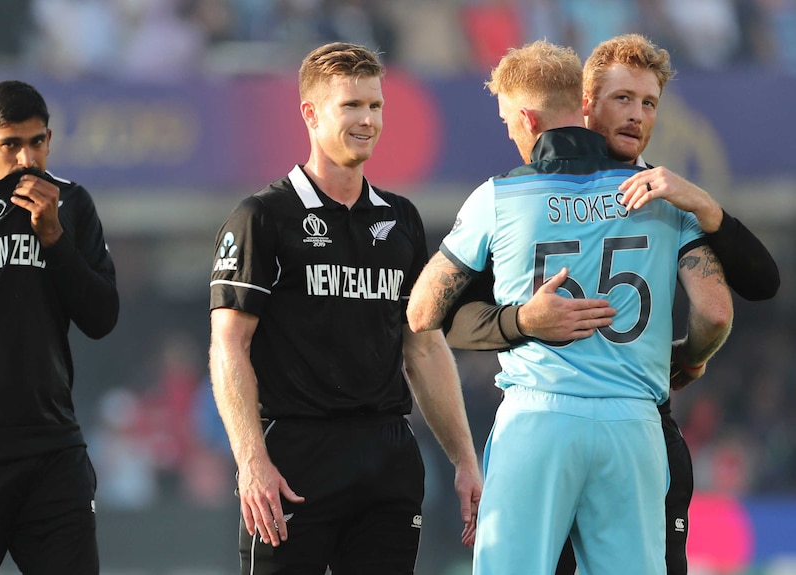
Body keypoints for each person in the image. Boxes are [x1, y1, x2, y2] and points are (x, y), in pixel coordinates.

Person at [442, 33, 780, 575]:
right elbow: (724, 306)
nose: (636, 115)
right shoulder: (664, 202)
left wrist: (698, 198)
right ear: (584, 102)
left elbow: (442, 312)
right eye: (622, 98)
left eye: (648, 103)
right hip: (636, 431)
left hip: (547, 427)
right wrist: (690, 358)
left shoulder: (524, 199)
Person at [207, 41, 481, 575]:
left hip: (387, 457)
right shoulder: (262, 217)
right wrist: (250, 463)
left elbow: (424, 347)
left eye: (375, 106)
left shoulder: (402, 220)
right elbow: (228, 346)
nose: (368, 120)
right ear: (310, 113)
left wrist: (465, 460)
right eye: (350, 106)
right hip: (293, 457)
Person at [0, 80, 118, 574]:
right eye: (10, 144)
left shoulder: (73, 205)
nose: (25, 159)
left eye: (36, 142)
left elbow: (102, 318)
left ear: (50, 140)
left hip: (53, 449)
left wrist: (55, 238)